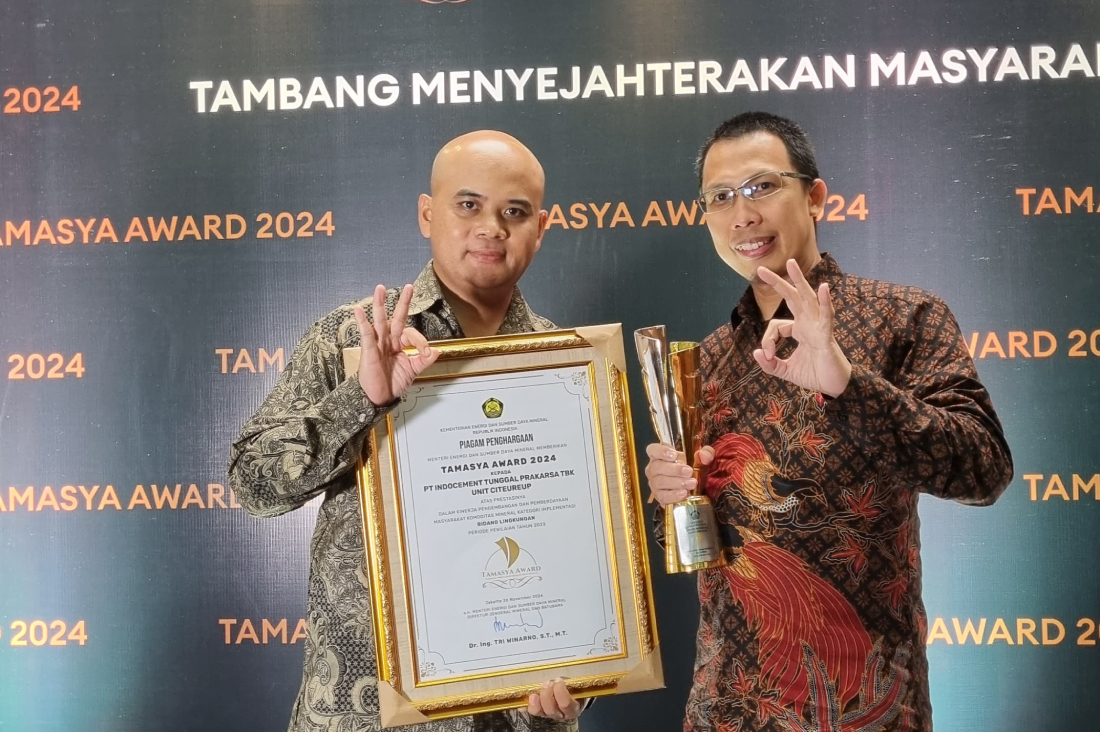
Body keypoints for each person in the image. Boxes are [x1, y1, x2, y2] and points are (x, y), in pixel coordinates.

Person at [644, 111, 1013, 731]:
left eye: (762, 187)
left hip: (862, 708)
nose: (742, 215)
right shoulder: (706, 361)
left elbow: (983, 469)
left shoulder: (903, 318)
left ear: (814, 196)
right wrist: (669, 500)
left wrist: (848, 385)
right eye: (721, 197)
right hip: (725, 708)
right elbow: (694, 549)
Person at [229, 130, 583, 732]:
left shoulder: (568, 365)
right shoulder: (353, 337)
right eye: (468, 204)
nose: (491, 228)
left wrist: (584, 683)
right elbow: (252, 485)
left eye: (514, 212)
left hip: (513, 716)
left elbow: (581, 542)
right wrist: (363, 398)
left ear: (541, 228)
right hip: (364, 715)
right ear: (427, 214)